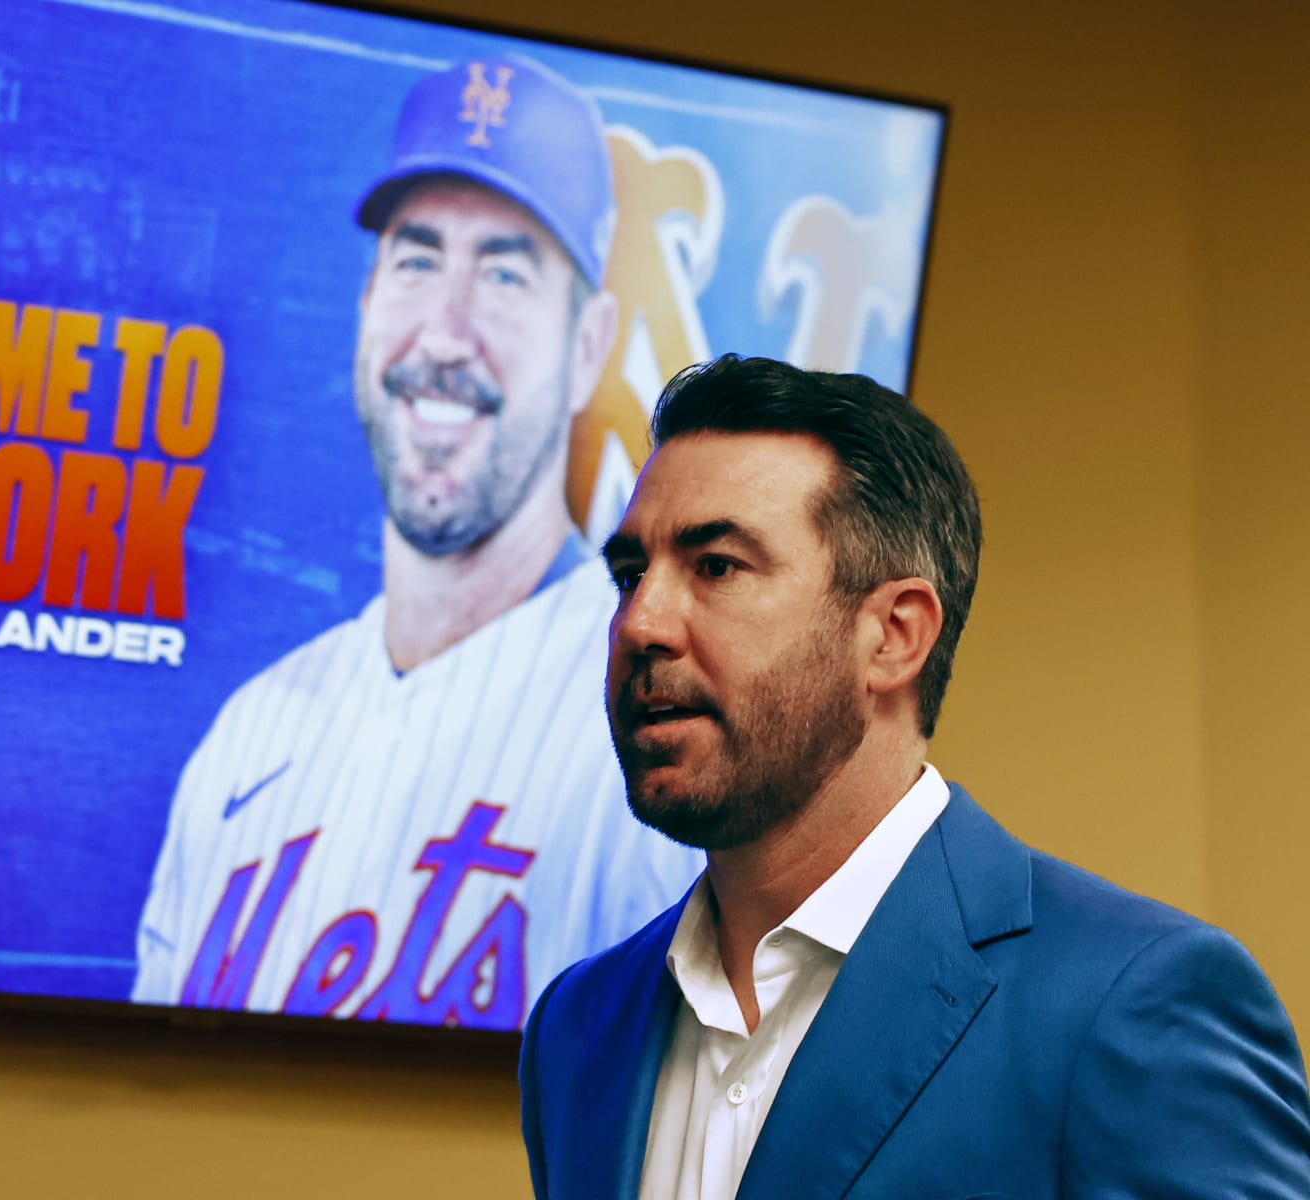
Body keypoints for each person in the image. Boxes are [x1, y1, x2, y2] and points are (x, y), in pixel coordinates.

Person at [520, 354, 1310, 1197]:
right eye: (630, 575)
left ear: (895, 636)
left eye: (716, 566)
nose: (641, 622)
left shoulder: (1130, 1003)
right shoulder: (578, 1029)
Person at [130, 55, 702, 1029]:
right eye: (417, 259)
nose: (445, 331)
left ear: (585, 348)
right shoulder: (242, 744)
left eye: (506, 273)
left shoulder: (661, 745)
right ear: (364, 307)